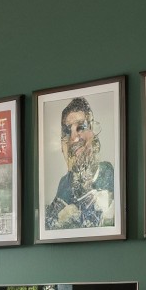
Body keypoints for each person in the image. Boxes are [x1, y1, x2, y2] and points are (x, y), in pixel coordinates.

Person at [45, 96, 115, 229]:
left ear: (92, 131)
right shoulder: (65, 182)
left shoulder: (107, 173)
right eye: (67, 131)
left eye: (81, 127)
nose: (73, 138)